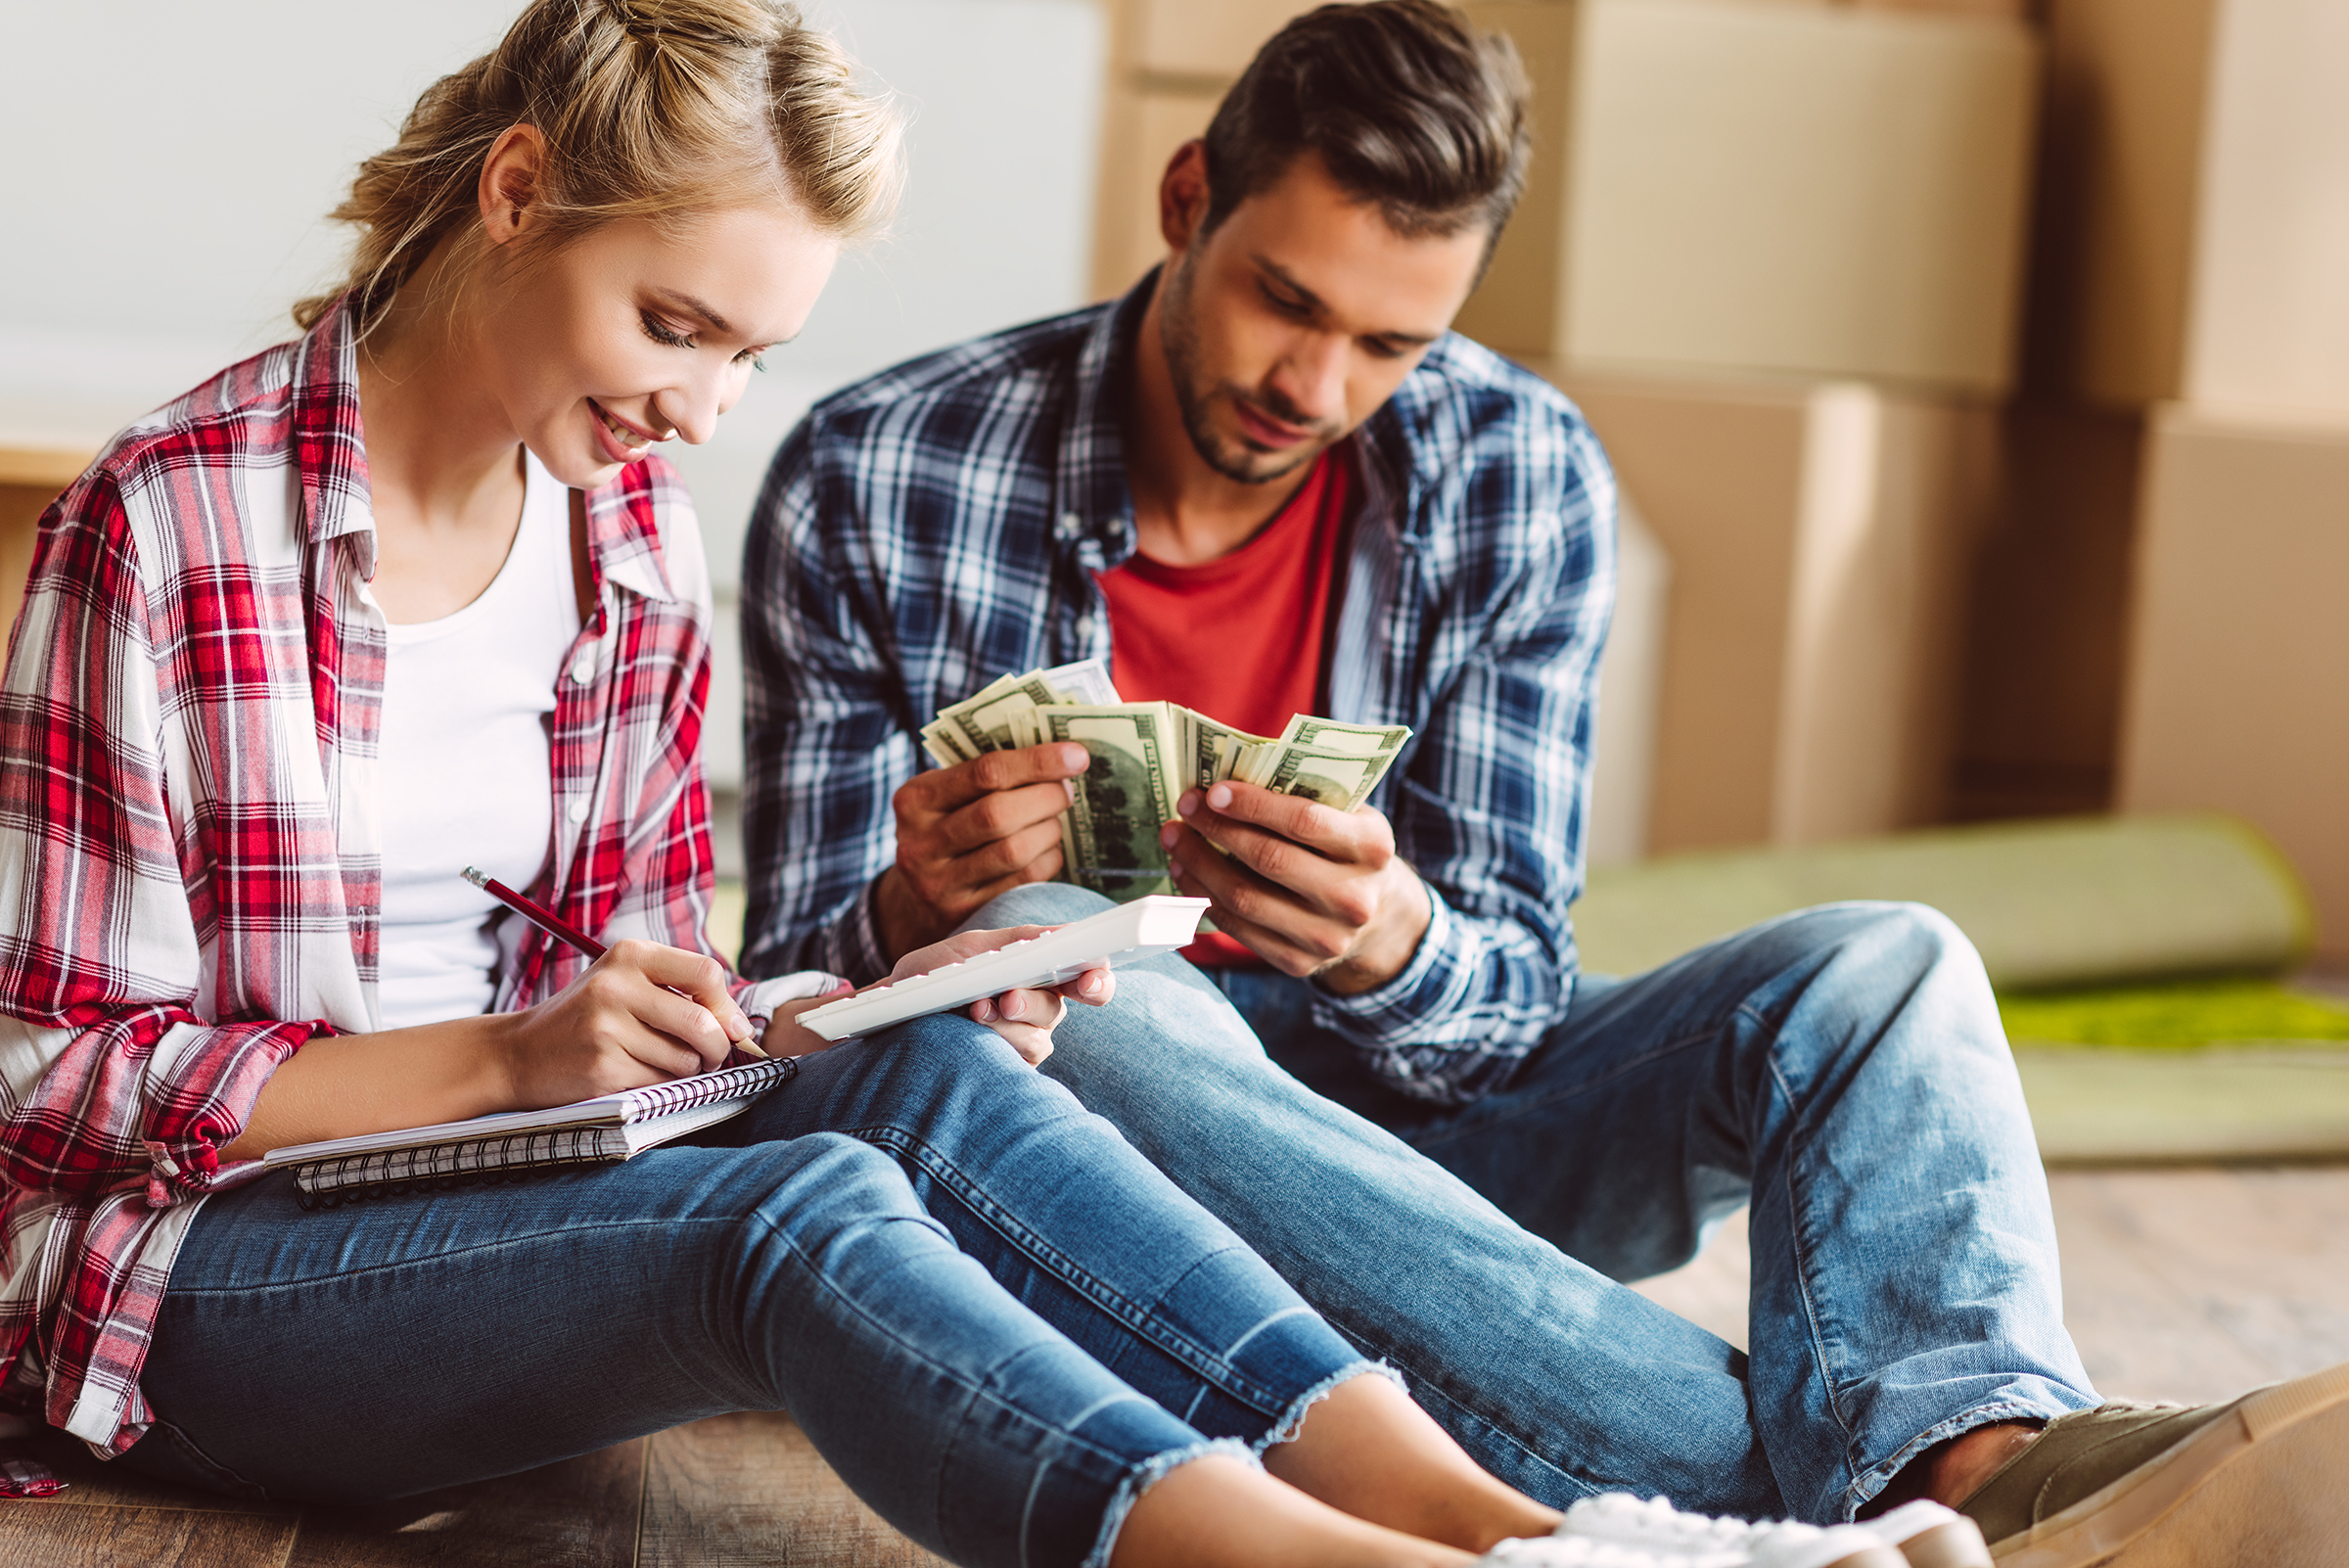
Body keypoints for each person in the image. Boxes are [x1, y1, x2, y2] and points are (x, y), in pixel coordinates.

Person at [0, 5, 1851, 1565]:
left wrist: (845, 997)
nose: (705, 414)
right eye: (672, 325)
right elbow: (42, 1079)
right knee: (785, 1224)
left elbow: (649, 1005)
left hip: (509, 1197)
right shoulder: (170, 528)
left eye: (749, 354)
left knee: (923, 1067)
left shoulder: (624, 536)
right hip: (205, 1274)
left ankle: (1513, 1527)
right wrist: (504, 1061)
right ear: (516, 192)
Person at [737, 2, 2349, 1562]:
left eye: (1389, 342)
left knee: (1889, 965)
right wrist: (910, 903)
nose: (1315, 383)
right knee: (1077, 972)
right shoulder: (881, 471)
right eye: (1283, 301)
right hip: (1113, 1143)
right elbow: (787, 1027)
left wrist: (1389, 937)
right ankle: (1906, 1526)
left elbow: (1512, 992)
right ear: (1185, 203)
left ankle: (1985, 1463)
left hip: (1440, 1122)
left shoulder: (1519, 470)